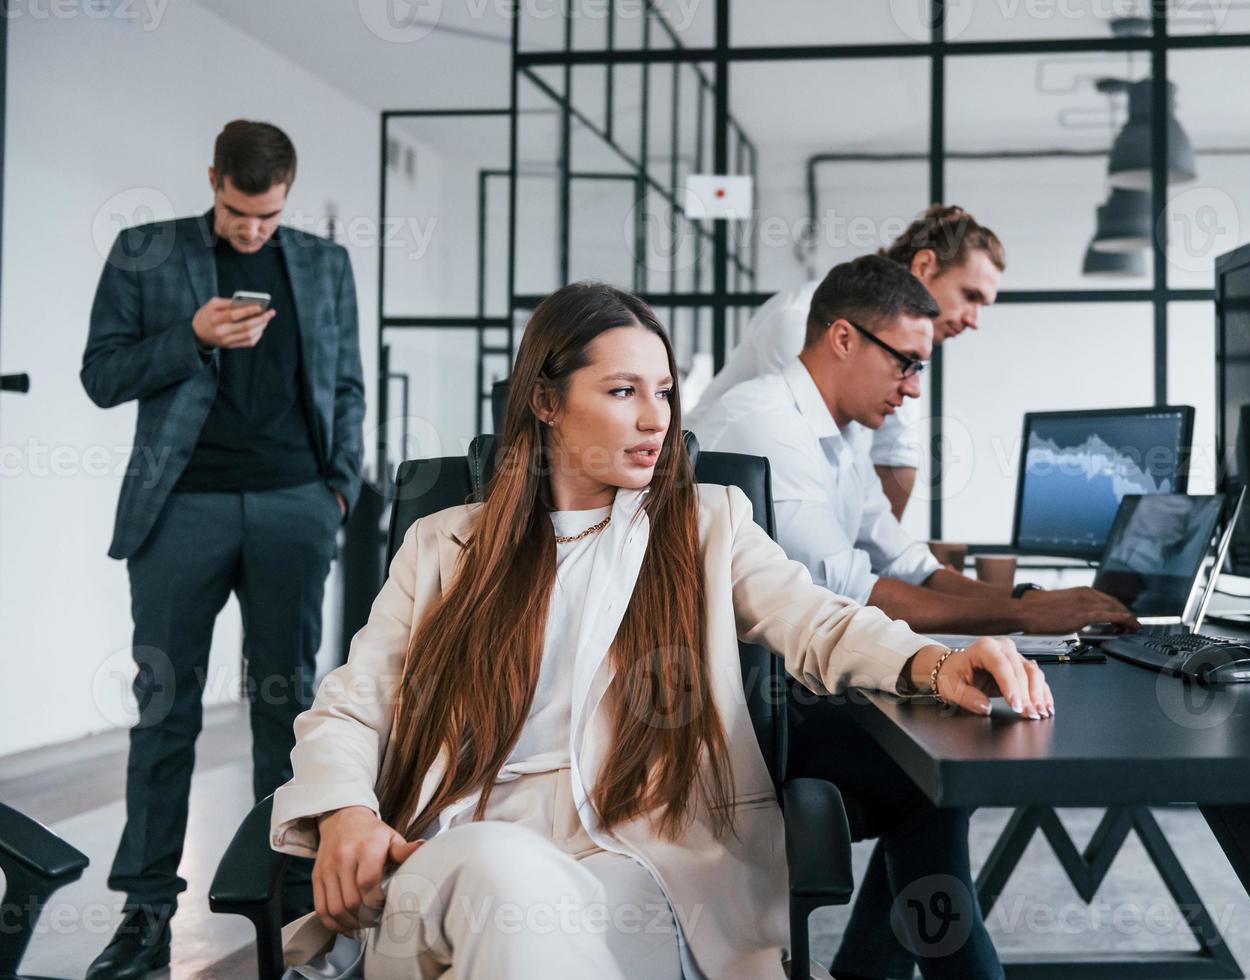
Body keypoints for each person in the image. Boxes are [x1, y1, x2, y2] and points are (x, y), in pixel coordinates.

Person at [266, 282, 1048, 979]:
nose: (654, 418)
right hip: (455, 851)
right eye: (621, 390)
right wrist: (345, 811)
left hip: (643, 871)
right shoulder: (441, 546)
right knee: (492, 865)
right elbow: (352, 702)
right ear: (545, 402)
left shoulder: (707, 526)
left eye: (665, 391)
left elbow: (816, 621)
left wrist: (934, 663)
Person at [79, 120, 365, 979]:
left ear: (288, 195)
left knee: (289, 714)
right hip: (181, 511)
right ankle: (145, 915)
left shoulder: (322, 262)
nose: (253, 232)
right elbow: (101, 376)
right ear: (214, 182)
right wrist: (193, 337)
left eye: (268, 216)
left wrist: (335, 492)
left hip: (293, 506)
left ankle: (289, 910)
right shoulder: (146, 253)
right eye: (241, 213)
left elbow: (345, 382)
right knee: (165, 710)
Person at [695, 254, 1137, 637]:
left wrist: (1027, 598)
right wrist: (1022, 613)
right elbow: (846, 592)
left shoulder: (845, 434)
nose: (914, 390)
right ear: (844, 339)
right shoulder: (766, 422)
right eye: (905, 363)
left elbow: (906, 562)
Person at [686, 204, 1004, 519]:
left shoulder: (898, 344)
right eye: (970, 295)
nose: (975, 320)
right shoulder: (800, 319)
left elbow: (897, 451)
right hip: (695, 496)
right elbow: (816, 452)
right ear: (924, 265)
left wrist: (883, 557)